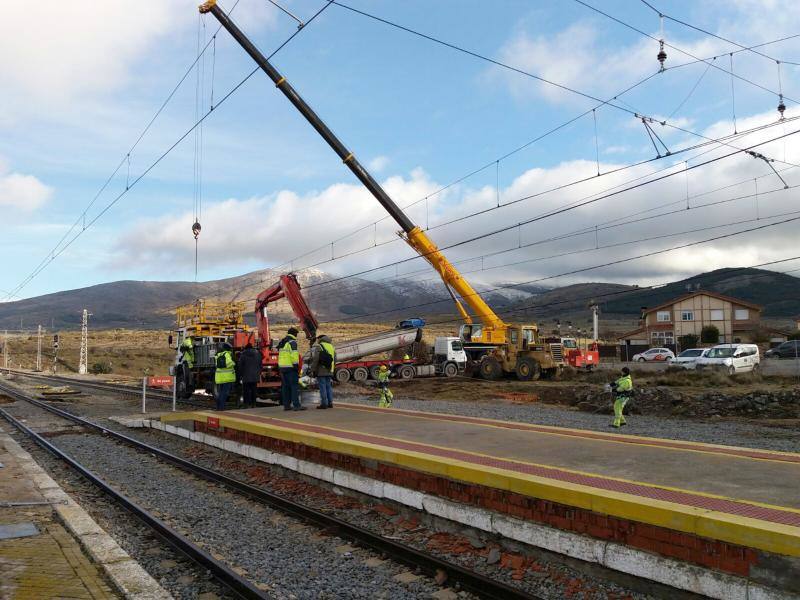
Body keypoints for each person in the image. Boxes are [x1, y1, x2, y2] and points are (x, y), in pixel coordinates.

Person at [278, 327, 305, 411]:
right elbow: (294, 356)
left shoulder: (282, 342)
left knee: (286, 387)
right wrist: (296, 366)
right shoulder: (292, 342)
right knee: (294, 387)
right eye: (296, 334)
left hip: (282, 368)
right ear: (294, 334)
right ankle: (296, 405)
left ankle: (287, 405)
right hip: (291, 367)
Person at [309, 334, 336, 409]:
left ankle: (324, 404)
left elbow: (316, 359)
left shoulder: (319, 346)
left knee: (322, 387)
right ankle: (330, 403)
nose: (317, 340)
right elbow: (335, 359)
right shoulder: (331, 346)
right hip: (329, 369)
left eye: (318, 339)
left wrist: (312, 369)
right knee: (328, 386)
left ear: (321, 339)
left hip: (321, 370)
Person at [237, 342, 261, 408]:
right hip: (255, 376)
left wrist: (240, 375)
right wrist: (258, 373)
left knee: (246, 391)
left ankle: (246, 404)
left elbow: (240, 366)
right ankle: (254, 404)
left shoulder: (243, 355)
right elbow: (260, 364)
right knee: (254, 390)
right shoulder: (258, 354)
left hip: (246, 376)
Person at [214, 342, 236, 411]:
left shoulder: (218, 355)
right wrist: (234, 363)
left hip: (220, 378)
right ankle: (221, 408)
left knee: (220, 393)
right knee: (224, 393)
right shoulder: (227, 354)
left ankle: (218, 407)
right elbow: (229, 363)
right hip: (227, 378)